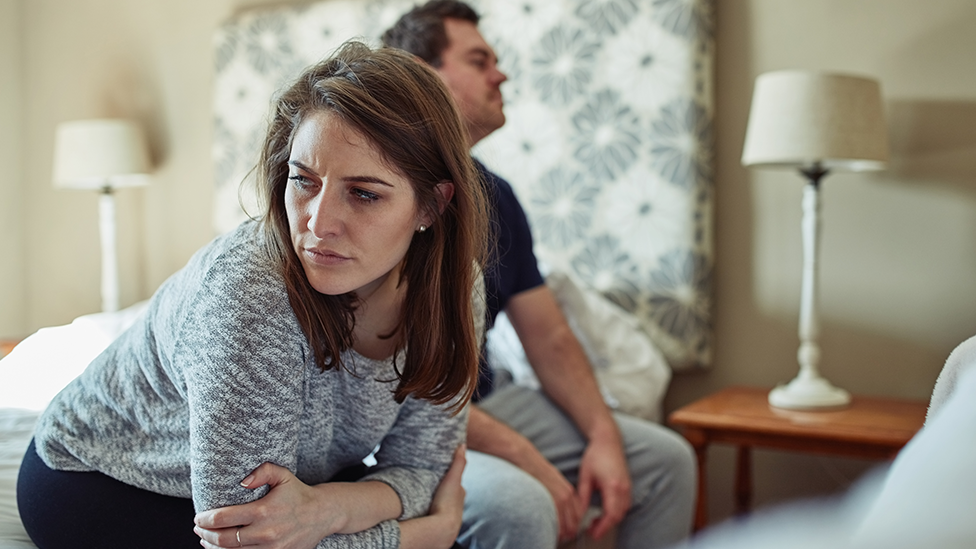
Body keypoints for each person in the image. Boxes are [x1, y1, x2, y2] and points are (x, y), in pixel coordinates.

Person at [18, 41, 488, 549]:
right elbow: (244, 536)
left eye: (364, 193)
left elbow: (421, 467)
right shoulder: (249, 293)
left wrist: (328, 508)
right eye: (303, 181)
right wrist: (421, 536)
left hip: (291, 490)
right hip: (106, 481)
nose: (318, 223)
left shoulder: (456, 288)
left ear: (432, 206)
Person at [383, 3, 697, 548]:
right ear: (424, 73)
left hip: (483, 404)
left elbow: (549, 337)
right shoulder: (383, 194)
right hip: (401, 428)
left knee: (667, 461)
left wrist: (603, 439)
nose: (500, 74)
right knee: (522, 506)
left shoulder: (496, 197)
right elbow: (395, 390)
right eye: (480, 60)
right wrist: (530, 461)